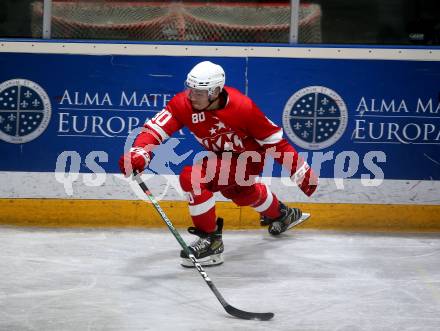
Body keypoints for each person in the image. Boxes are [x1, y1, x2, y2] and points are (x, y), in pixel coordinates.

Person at [119, 61, 318, 267]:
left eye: (198, 92)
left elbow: (274, 142)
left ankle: (211, 240)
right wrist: (140, 151)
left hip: (249, 160)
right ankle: (282, 214)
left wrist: (299, 170)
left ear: (214, 92)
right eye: (190, 89)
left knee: (193, 177)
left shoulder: (243, 108)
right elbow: (154, 130)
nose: (191, 96)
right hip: (223, 158)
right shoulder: (183, 104)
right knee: (242, 193)